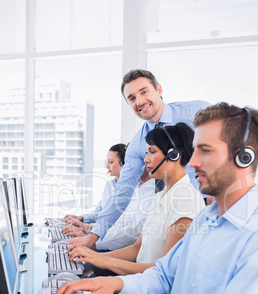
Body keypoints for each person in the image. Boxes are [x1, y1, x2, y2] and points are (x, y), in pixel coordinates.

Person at [18, 102, 258, 294]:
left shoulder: (257, 238)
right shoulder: (208, 218)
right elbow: (163, 276)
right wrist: (109, 284)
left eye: (205, 150)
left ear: (244, 156)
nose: (193, 161)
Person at [72, 69, 210, 248]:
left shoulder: (196, 112)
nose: (140, 101)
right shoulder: (138, 144)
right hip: (172, 213)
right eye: (131, 98)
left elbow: (232, 143)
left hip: (212, 202)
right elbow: (123, 190)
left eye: (144, 92)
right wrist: (93, 236)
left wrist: (219, 189)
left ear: (159, 90)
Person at [68, 123, 205, 276]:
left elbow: (166, 272)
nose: (146, 159)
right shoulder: (160, 196)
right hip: (141, 284)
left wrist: (103, 261)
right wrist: (95, 257)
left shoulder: (185, 200)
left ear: (174, 154)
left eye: (152, 152)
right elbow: (138, 248)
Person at [62, 143, 126, 238]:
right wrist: (81, 218)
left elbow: (117, 222)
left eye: (111, 162)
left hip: (110, 240)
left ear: (123, 163)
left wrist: (89, 227)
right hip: (99, 235)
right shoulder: (109, 185)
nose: (107, 166)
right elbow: (100, 212)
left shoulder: (129, 191)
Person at [95, 167, 155, 252]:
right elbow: (119, 224)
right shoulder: (136, 189)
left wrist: (94, 241)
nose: (128, 166)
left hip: (127, 251)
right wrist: (92, 234)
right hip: (118, 246)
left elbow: (135, 232)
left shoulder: (156, 192)